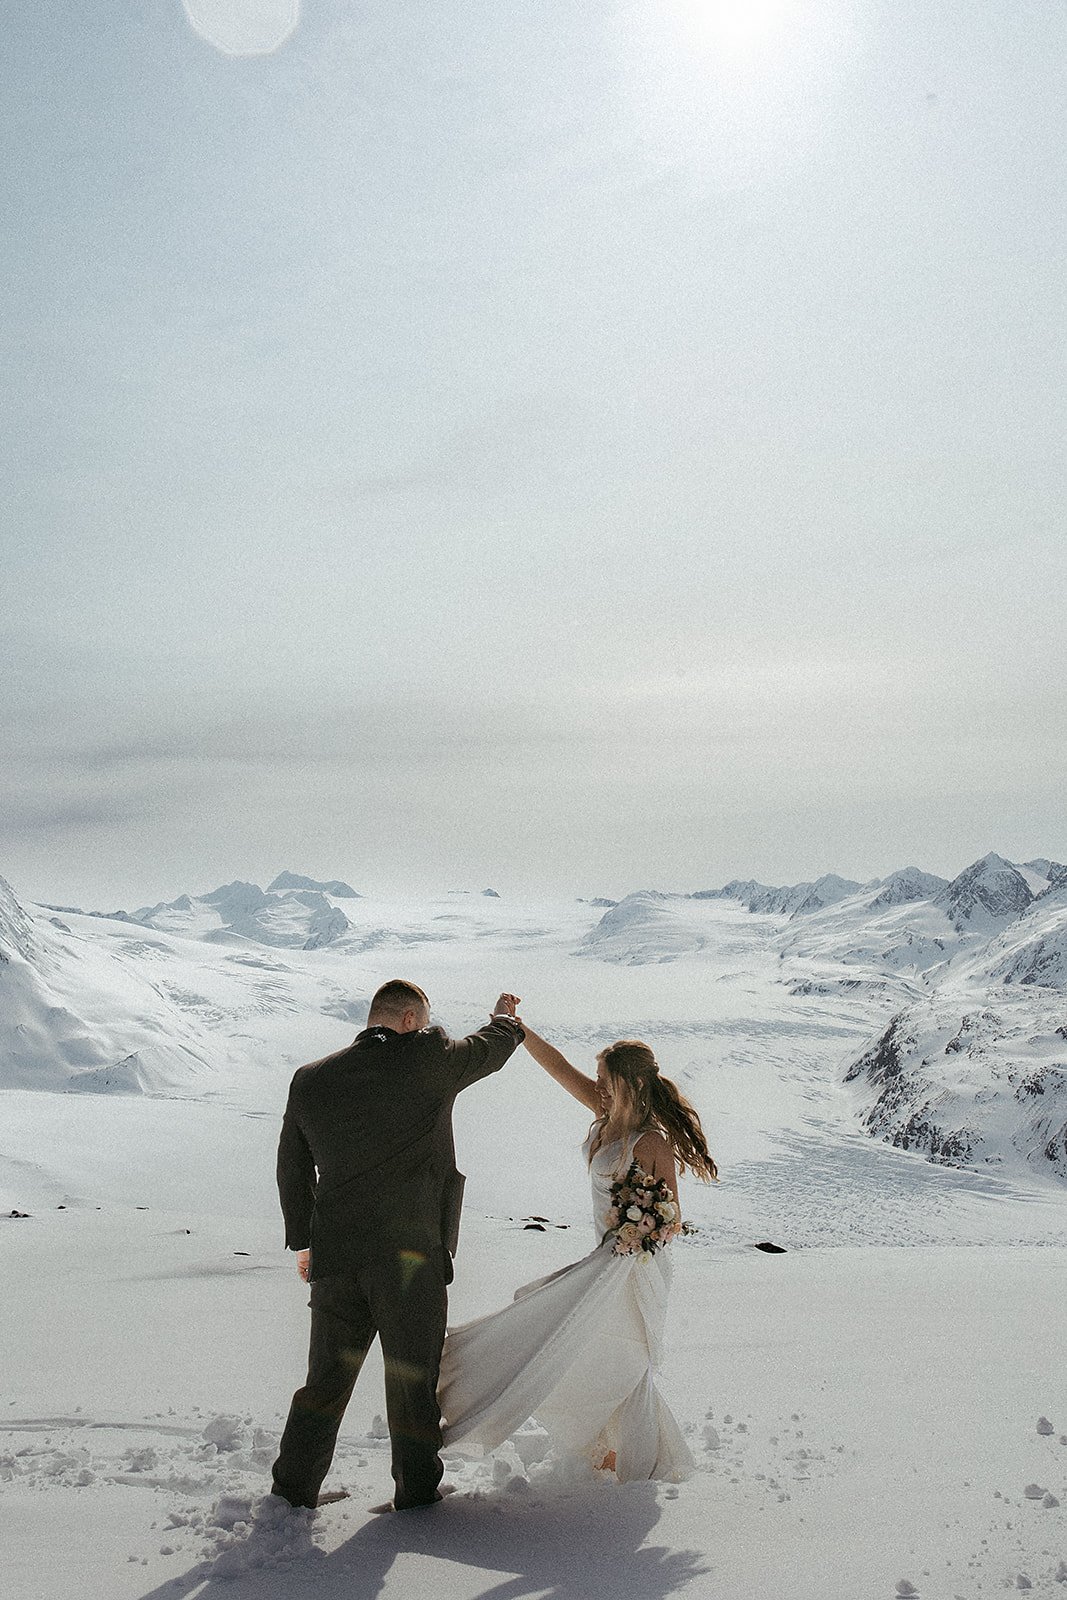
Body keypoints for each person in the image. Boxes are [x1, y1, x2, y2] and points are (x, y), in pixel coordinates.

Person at [271, 979, 525, 1512]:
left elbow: (292, 1169)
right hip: (410, 1258)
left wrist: (306, 1243)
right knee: (411, 1375)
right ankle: (415, 1493)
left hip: (338, 1257)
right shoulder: (428, 1057)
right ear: (410, 1020)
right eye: (426, 1020)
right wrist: (503, 1016)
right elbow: (489, 1051)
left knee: (325, 1380)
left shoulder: (311, 1078)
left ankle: (293, 1490)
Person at [437, 1016, 717, 1482]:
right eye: (600, 1082)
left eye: (607, 1082)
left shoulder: (651, 1142)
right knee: (570, 1332)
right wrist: (517, 1029)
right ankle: (604, 1448)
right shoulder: (603, 1116)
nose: (599, 1089)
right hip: (603, 1258)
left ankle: (635, 1461)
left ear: (629, 1084)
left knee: (622, 1355)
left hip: (636, 1268)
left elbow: (673, 1221)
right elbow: (559, 1067)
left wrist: (636, 1230)